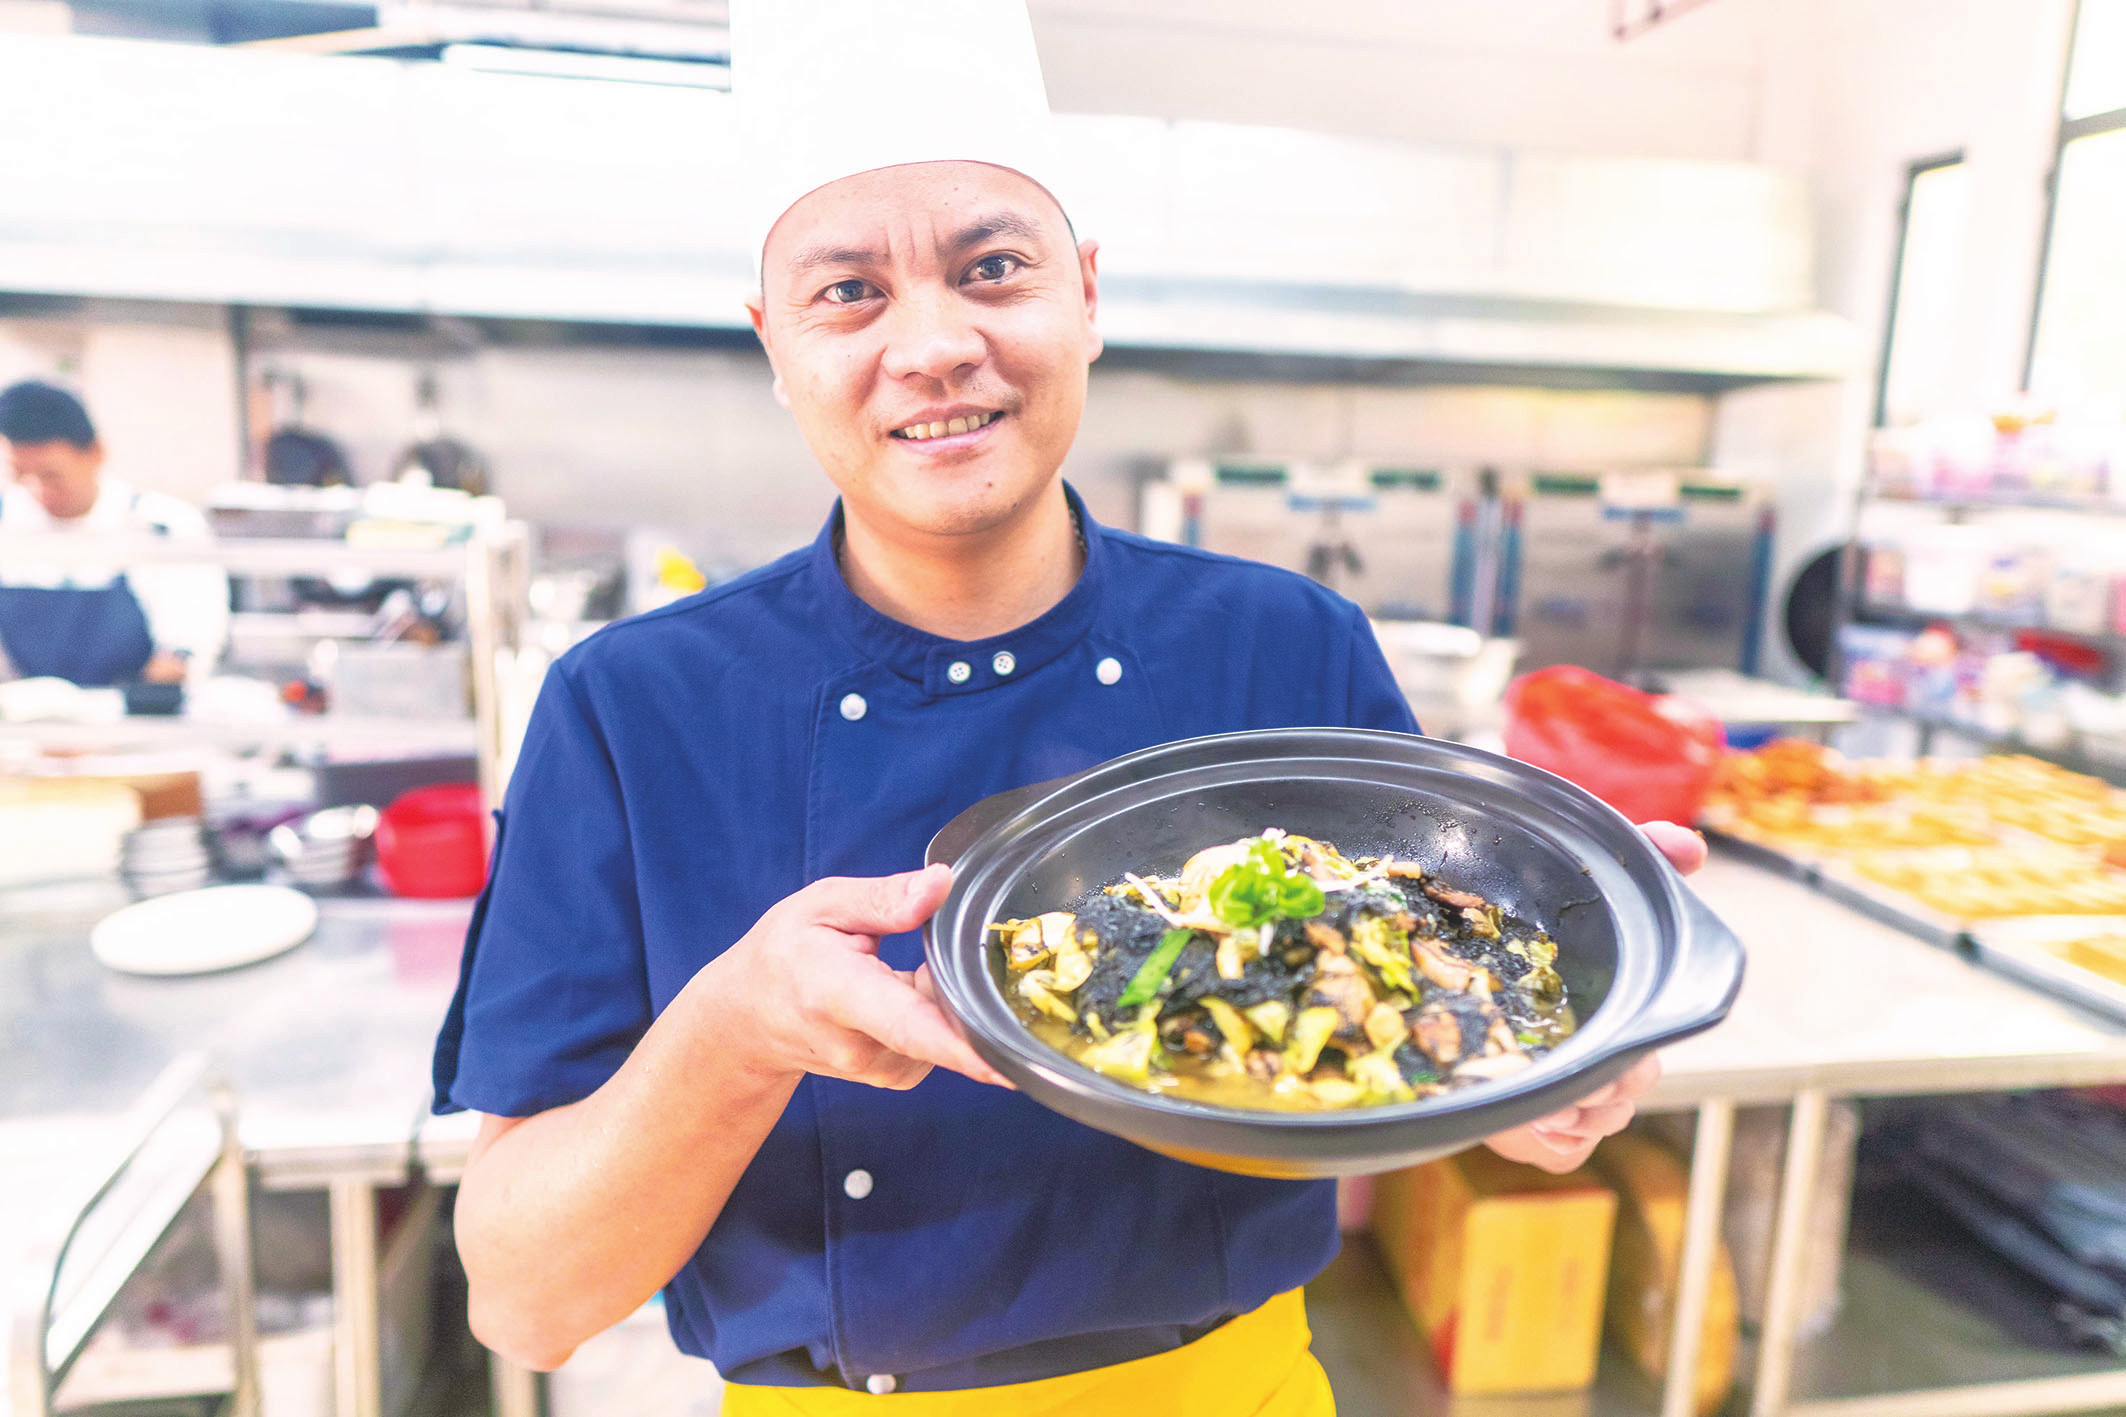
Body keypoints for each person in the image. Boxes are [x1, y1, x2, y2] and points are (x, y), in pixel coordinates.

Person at [433, 2, 1703, 1410]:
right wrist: (736, 1030)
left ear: (1085, 296)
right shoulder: (633, 706)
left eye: (993, 268)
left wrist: (1548, 1079)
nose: (931, 345)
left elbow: (1418, 1043)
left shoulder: (1284, 644)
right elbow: (528, 1302)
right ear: (772, 344)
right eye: (846, 292)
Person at [0, 380, 227, 687]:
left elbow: (186, 646)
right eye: (21, 475)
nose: (37, 490)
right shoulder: (8, 522)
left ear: (95, 452)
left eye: (50, 475)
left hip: (131, 723)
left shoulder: (162, 526)